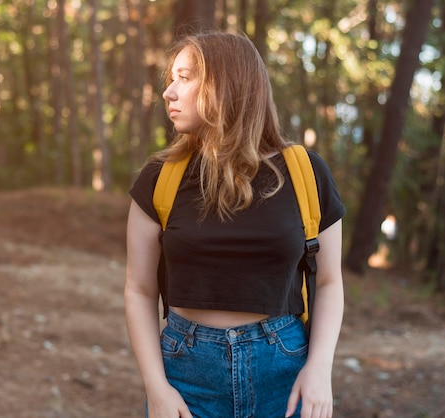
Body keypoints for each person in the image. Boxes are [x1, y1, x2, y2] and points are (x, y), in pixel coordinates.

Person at [124, 32, 345, 418]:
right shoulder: (158, 179)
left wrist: (320, 369)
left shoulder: (307, 174)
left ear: (226, 85)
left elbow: (328, 282)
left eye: (185, 77)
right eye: (170, 79)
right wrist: (156, 388)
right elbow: (139, 290)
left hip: (285, 371)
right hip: (187, 374)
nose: (168, 93)